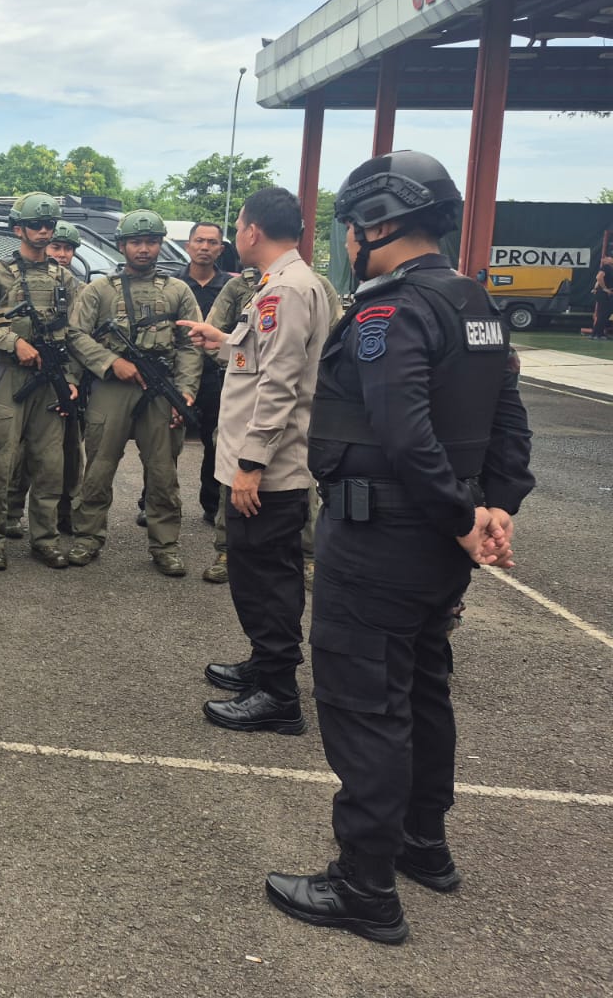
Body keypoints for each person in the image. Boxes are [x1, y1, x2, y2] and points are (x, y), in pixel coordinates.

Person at [263, 150, 532, 945]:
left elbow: (404, 431)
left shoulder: (390, 312)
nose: (349, 240)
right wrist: (495, 508)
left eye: (353, 226)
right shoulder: (472, 303)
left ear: (377, 224)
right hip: (436, 544)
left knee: (365, 704)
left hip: (384, 535)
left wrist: (461, 514)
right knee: (421, 689)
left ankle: (364, 886)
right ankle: (424, 844)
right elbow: (509, 424)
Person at [177, 189, 333, 736]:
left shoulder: (286, 290)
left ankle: (278, 695)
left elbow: (281, 382)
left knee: (266, 578)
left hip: (269, 467)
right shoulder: (280, 285)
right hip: (263, 462)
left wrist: (251, 463)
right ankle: (264, 666)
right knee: (257, 573)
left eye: (238, 226)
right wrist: (222, 342)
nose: (234, 235)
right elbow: (259, 357)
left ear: (251, 232)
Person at [69, 210, 201, 575]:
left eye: (151, 242)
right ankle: (87, 537)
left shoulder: (178, 290)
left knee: (162, 472)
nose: (144, 249)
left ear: (161, 245)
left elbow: (191, 344)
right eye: (136, 242)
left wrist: (186, 390)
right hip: (113, 387)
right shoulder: (98, 291)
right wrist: (112, 363)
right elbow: (76, 335)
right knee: (97, 468)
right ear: (122, 245)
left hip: (161, 389)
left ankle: (166, 544)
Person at [0, 192, 82, 571]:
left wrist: (72, 377)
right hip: (9, 377)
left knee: (50, 463)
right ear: (18, 229)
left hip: (52, 378)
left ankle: (44, 539)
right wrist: (12, 342)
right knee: (1, 461)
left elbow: (80, 332)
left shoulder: (65, 277)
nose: (44, 231)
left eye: (49, 225)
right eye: (36, 225)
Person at [203, 266, 343, 586]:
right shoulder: (242, 287)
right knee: (234, 476)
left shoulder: (313, 285)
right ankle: (226, 549)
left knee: (299, 477)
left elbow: (334, 337)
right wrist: (234, 358)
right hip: (246, 399)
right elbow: (221, 335)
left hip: (297, 400)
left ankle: (308, 555)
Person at [7, 219, 86, 535]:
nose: (63, 254)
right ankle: (11, 512)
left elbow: (82, 336)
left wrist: (75, 379)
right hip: (28, 377)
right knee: (22, 451)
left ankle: (62, 516)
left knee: (66, 454)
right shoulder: (21, 277)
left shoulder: (74, 286)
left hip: (66, 378)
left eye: (68, 248)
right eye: (57, 247)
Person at [178, 222, 234, 524]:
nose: (205, 247)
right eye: (199, 241)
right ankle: (152, 502)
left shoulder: (231, 287)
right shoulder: (173, 284)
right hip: (178, 374)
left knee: (215, 443)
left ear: (221, 250)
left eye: (212, 243)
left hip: (216, 374)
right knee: (164, 441)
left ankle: (212, 505)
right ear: (188, 246)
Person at [591, 252, 613, 339]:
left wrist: (595, 288)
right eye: (606, 258)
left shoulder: (609, 268)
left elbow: (598, 280)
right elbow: (599, 277)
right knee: (604, 314)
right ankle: (598, 334)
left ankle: (596, 333)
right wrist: (604, 288)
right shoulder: (606, 267)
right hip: (605, 294)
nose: (603, 259)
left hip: (604, 293)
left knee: (603, 314)